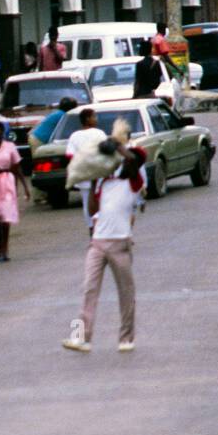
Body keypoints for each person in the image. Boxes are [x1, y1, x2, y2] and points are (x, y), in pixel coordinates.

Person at [63, 138, 146, 354]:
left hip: (121, 243)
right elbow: (92, 211)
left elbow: (132, 161)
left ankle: (126, 337)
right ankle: (83, 337)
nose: (127, 162)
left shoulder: (134, 182)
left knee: (126, 292)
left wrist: (118, 146)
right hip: (98, 242)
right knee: (89, 289)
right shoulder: (106, 182)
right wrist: (92, 182)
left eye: (131, 161)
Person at [0, 118, 30, 261]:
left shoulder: (10, 146)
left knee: (6, 214)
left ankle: (4, 248)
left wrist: (25, 187)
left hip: (7, 180)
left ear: (2, 131)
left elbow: (17, 167)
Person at [65, 106, 100, 230]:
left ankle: (91, 227)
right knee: (100, 199)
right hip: (98, 171)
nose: (96, 119)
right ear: (88, 118)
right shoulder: (98, 133)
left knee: (86, 202)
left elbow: (69, 155)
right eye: (94, 116)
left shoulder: (74, 136)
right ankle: (100, 226)